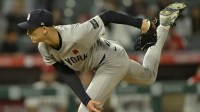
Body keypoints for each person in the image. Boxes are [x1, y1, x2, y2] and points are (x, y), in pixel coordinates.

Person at [18, 2, 186, 112]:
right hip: (106, 60)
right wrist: (85, 98)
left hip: (110, 60)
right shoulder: (44, 47)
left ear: (45, 29)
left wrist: (142, 24)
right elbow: (66, 73)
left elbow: (108, 16)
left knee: (84, 111)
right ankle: (163, 26)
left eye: (31, 29)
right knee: (149, 76)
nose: (28, 32)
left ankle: (154, 26)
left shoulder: (76, 34)